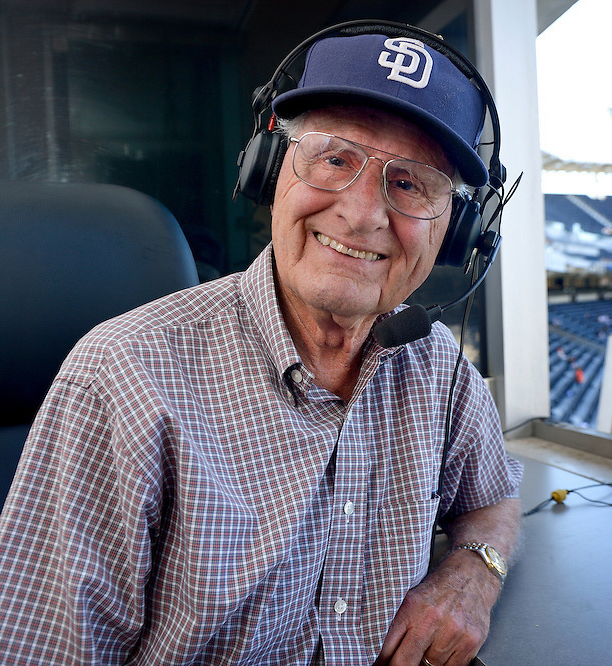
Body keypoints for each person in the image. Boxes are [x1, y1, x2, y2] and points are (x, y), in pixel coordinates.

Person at [0, 24, 522, 666]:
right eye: (333, 158)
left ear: (458, 229)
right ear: (269, 169)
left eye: (411, 184)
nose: (361, 214)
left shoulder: (436, 366)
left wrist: (475, 572)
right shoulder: (121, 379)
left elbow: (491, 499)